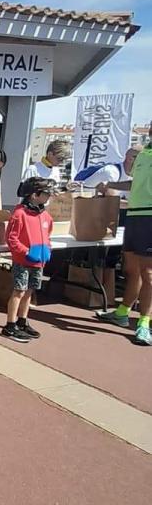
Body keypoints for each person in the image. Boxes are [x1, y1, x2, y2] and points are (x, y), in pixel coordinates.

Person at [95, 131, 152, 346]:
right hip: (135, 216)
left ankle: (144, 323)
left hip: (150, 216)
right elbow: (133, 184)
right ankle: (122, 312)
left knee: (148, 273)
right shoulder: (144, 153)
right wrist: (110, 186)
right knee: (132, 269)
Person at [2, 177, 54, 342]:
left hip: (38, 261)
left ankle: (22, 321)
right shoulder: (19, 214)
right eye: (46, 194)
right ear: (34, 195)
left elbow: (47, 235)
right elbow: (12, 239)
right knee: (19, 291)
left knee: (30, 291)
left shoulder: (45, 216)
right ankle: (10, 325)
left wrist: (48, 249)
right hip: (23, 261)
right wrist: (26, 252)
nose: (48, 197)